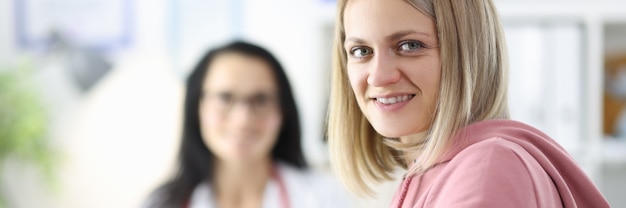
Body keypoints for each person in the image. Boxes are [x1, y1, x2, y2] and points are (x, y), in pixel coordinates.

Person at [326, 0, 610, 207]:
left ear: (468, 53)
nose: (378, 76)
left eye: (410, 45)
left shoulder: (487, 168)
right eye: (361, 51)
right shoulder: (439, 170)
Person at [146, 41, 350, 208]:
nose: (242, 120)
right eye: (225, 98)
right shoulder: (160, 203)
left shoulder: (325, 199)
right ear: (197, 107)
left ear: (283, 111)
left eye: (260, 100)